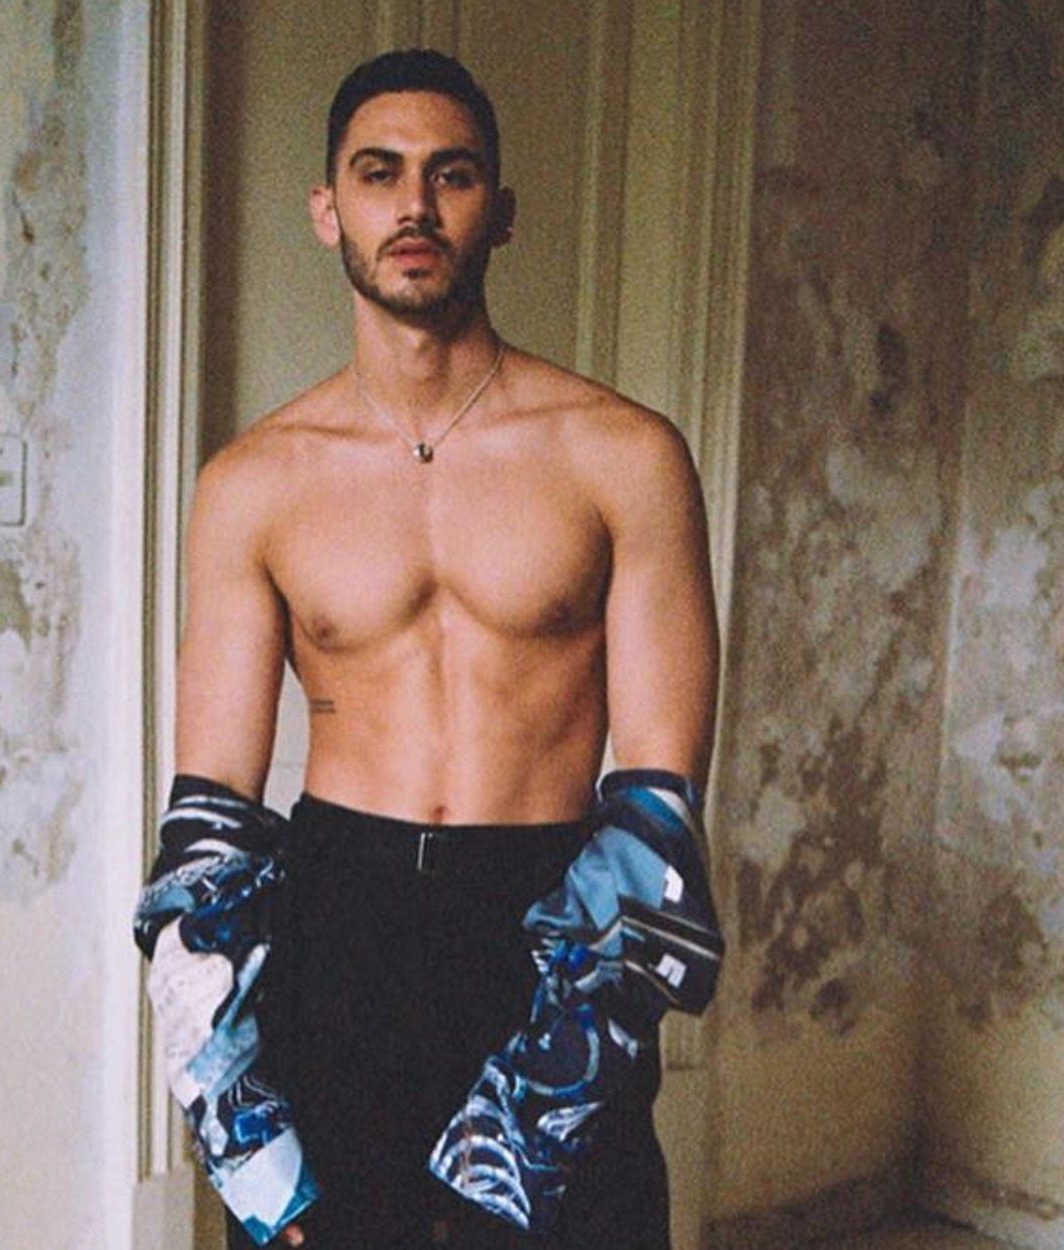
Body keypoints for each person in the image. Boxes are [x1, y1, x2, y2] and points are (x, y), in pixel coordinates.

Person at [137, 49, 722, 1250]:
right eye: (378, 173)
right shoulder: (253, 483)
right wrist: (242, 1132)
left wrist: (552, 1085)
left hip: (547, 910)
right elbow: (206, 829)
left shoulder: (622, 456)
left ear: (498, 210)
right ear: (327, 209)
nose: (413, 205)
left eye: (449, 175)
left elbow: (657, 809)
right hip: (339, 918)